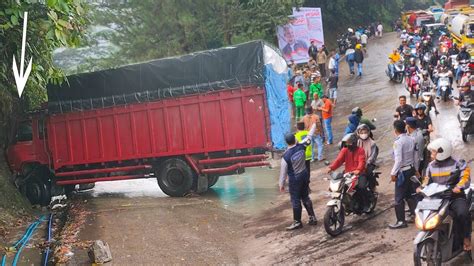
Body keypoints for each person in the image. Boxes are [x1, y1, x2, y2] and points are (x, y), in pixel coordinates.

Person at [416, 138, 472, 254]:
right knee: (423, 212)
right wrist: (421, 187)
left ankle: (466, 238)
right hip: (437, 198)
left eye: (433, 152)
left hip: (454, 197)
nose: (431, 154)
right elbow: (426, 180)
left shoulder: (458, 164)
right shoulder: (430, 166)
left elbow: (465, 178)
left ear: (442, 152)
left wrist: (459, 187)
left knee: (463, 213)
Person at [279, 124, 318, 230]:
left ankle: (297, 222)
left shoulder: (286, 156)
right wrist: (314, 125)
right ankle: (312, 217)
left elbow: (283, 173)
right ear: (295, 139)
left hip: (295, 179)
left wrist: (281, 185)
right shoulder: (302, 146)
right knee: (305, 196)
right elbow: (310, 135)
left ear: (286, 143)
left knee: (295, 200)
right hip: (304, 174)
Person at [389, 120, 419, 229]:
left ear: (395, 130)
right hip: (411, 169)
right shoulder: (412, 139)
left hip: (402, 171)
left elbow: (399, 160)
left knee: (398, 198)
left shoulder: (398, 142)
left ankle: (401, 221)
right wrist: (416, 169)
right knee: (409, 194)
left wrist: (393, 173)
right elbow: (416, 156)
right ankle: (414, 214)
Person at [327, 133, 369, 211]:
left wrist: (358, 170)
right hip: (348, 174)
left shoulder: (360, 150)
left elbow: (362, 161)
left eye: (349, 143)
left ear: (354, 142)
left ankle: (366, 204)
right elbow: (338, 160)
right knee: (339, 186)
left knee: (361, 187)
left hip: (360, 173)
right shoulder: (344, 150)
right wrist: (331, 168)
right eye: (346, 143)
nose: (347, 145)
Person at [356, 124, 378, 189]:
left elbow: (373, 156)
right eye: (361, 133)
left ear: (368, 132)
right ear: (358, 133)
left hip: (369, 163)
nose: (363, 134)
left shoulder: (372, 143)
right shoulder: (357, 142)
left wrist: (367, 162)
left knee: (368, 173)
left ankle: (372, 187)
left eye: (365, 132)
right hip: (359, 163)